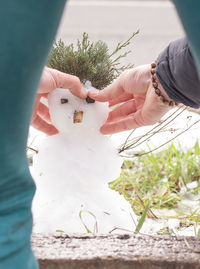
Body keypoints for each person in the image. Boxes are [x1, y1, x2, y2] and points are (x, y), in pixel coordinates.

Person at [0, 1, 200, 269]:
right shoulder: (54, 147)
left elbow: (107, 170)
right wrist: (168, 78)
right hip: (53, 205)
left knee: (5, 199)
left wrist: (166, 78)